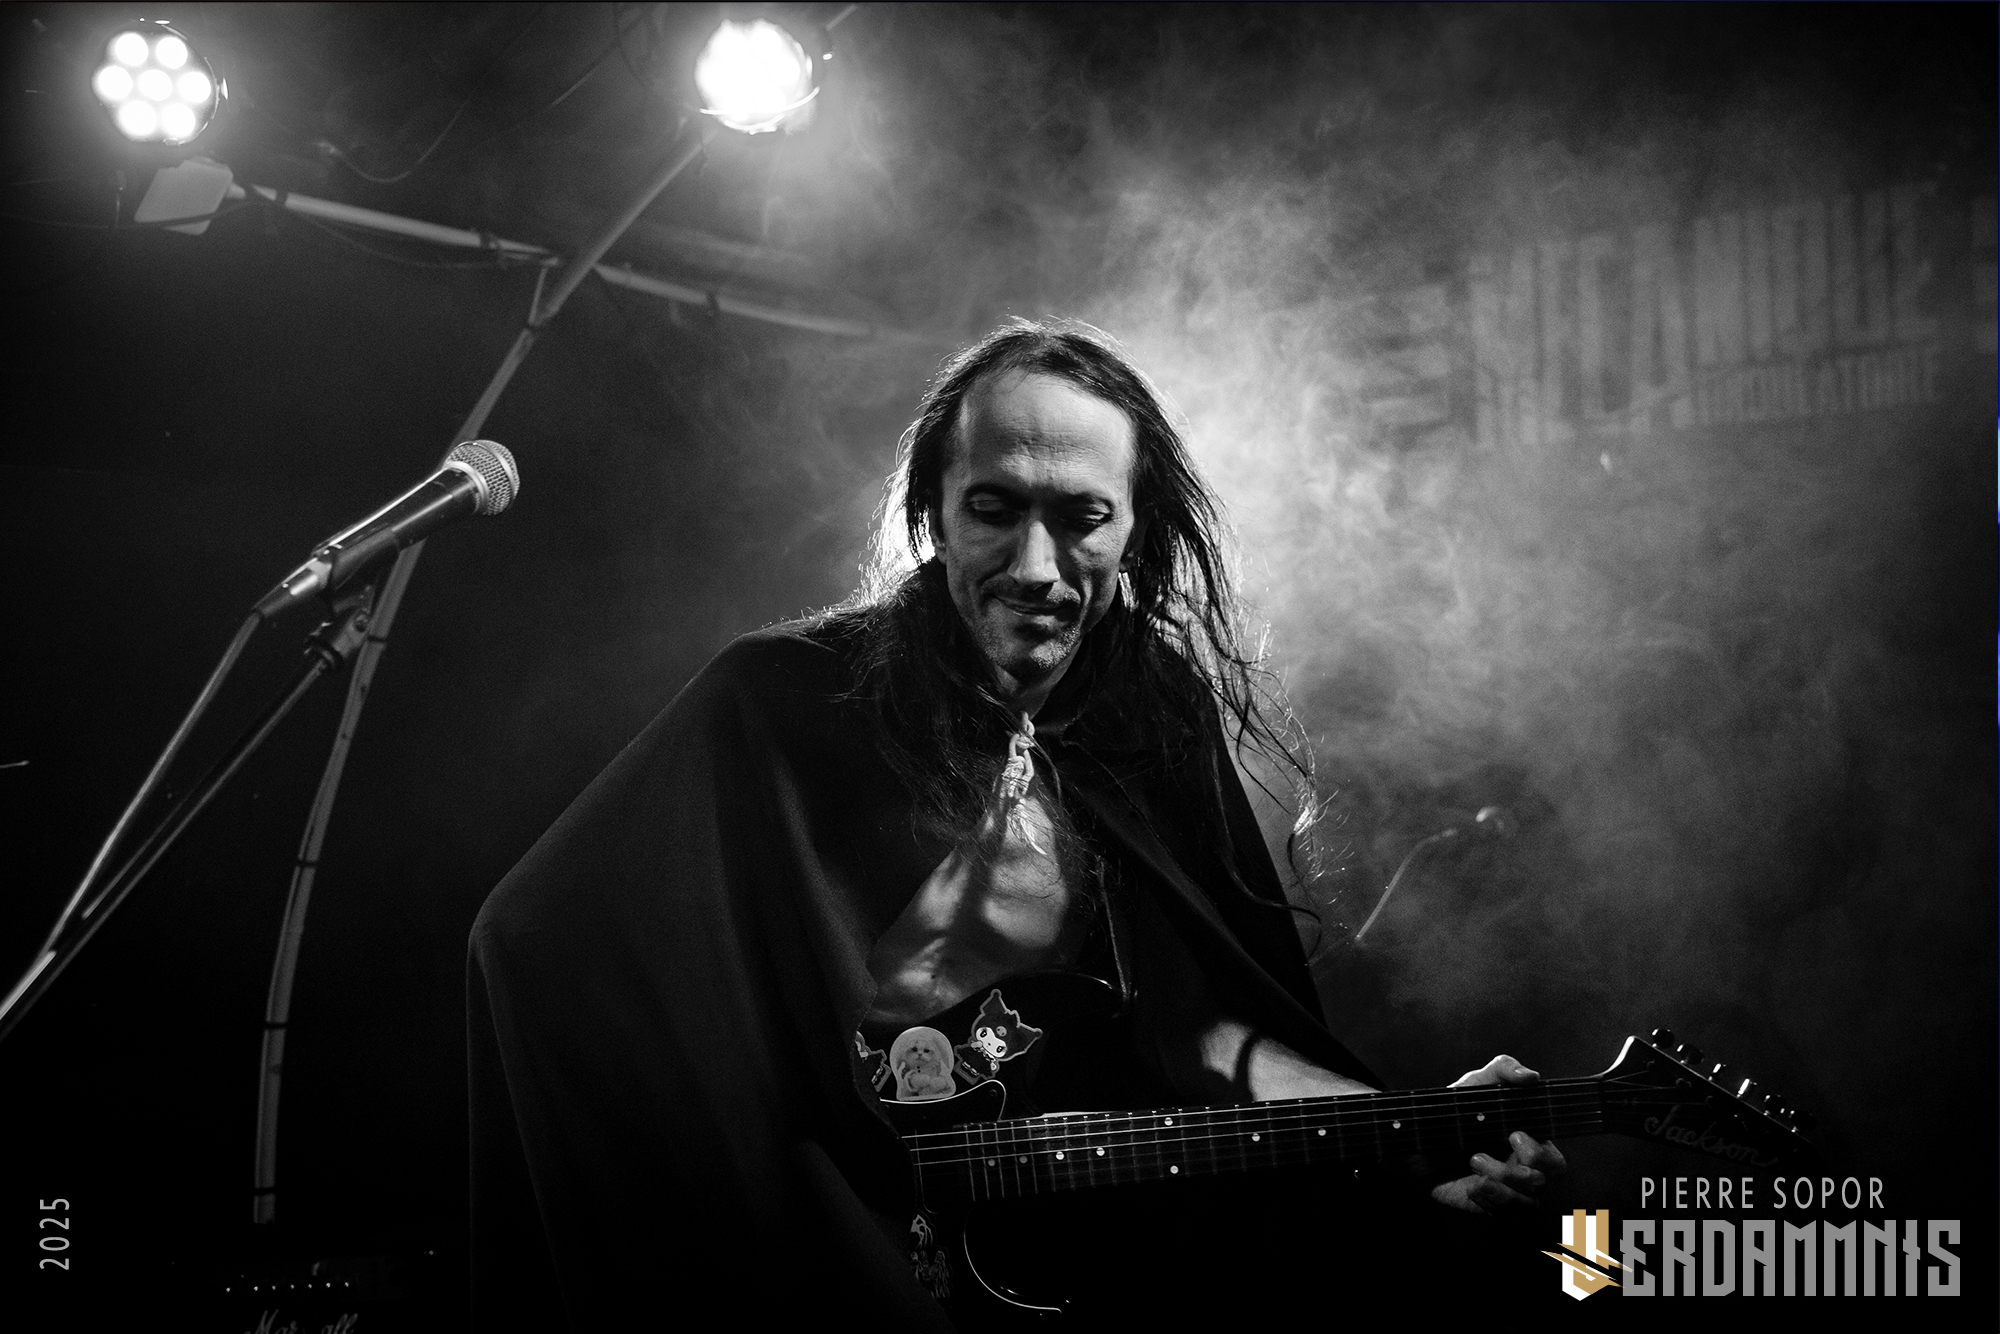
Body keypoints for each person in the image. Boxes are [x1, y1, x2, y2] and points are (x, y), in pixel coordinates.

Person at [467, 318, 1562, 1329]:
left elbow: (1197, 1029)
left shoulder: (1150, 721)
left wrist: (1410, 1126)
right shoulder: (785, 700)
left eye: (1081, 517)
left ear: (1135, 530)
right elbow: (531, 943)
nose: (1035, 569)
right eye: (994, 509)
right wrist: (755, 1186)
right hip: (818, 1272)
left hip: (1057, 1279)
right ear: (932, 513)